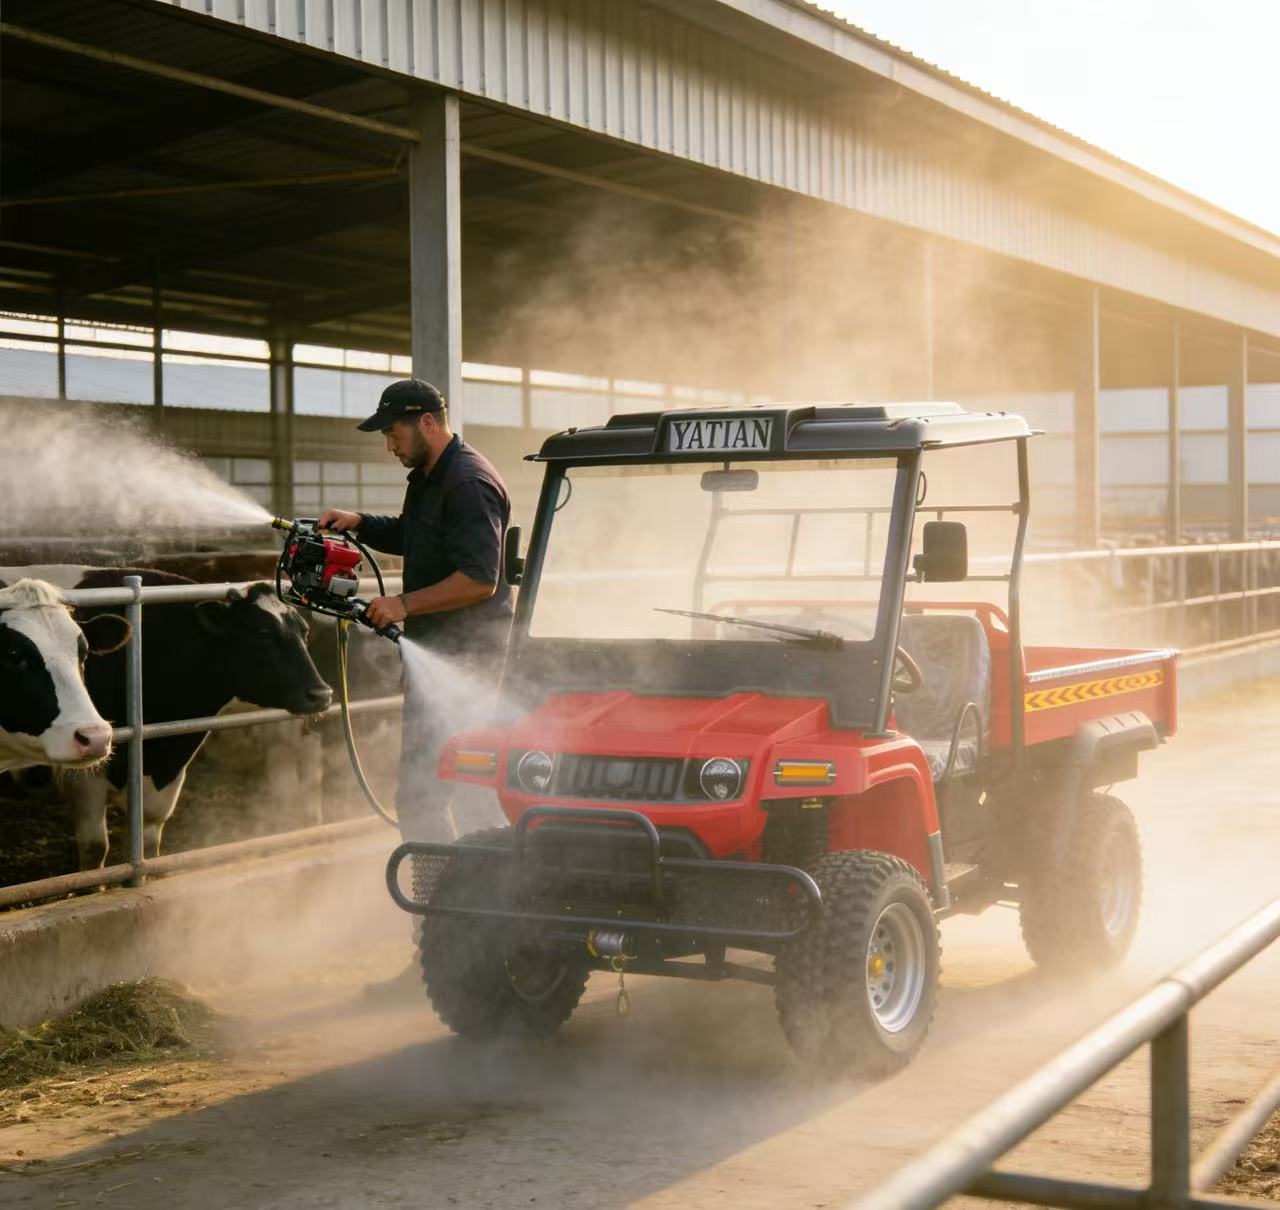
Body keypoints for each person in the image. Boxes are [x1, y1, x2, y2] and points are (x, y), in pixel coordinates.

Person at [318, 378, 514, 846]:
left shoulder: (467, 483)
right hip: (437, 657)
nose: (389, 446)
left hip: (467, 666)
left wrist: (402, 604)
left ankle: (456, 906)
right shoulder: (429, 478)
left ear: (427, 422)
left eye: (394, 434)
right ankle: (448, 903)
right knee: (429, 796)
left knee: (445, 797)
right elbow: (413, 533)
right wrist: (361, 524)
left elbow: (480, 578)